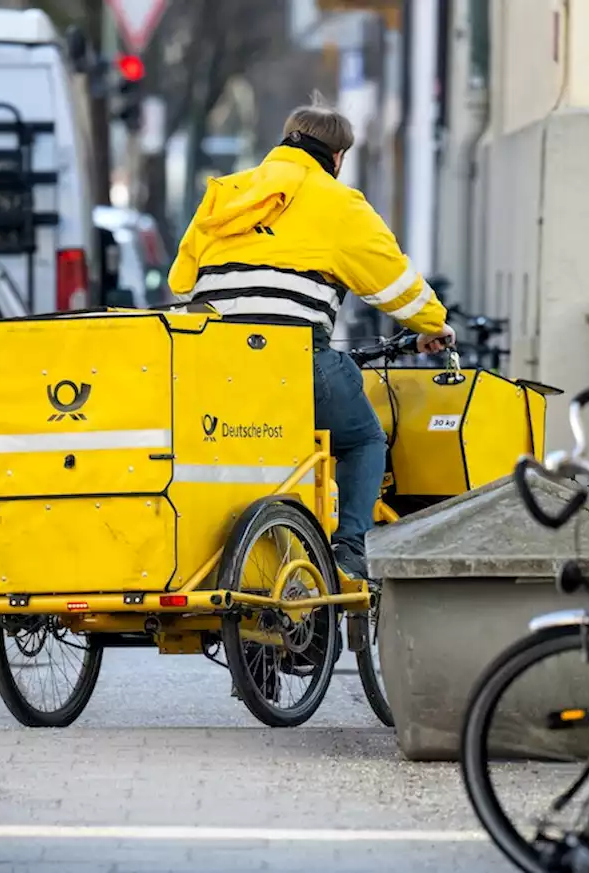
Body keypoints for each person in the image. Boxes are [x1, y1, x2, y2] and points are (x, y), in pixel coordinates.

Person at [168, 94, 454, 581]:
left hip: (212, 363)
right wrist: (433, 325)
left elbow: (181, 281)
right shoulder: (337, 202)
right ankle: (349, 548)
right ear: (337, 157)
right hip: (292, 361)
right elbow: (393, 282)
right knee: (363, 439)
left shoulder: (226, 192)